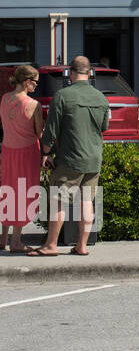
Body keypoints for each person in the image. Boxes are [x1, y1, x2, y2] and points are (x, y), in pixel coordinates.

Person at [29, 56, 109, 257]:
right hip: (93, 159)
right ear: (89, 73)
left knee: (59, 200)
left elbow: (51, 130)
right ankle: (82, 246)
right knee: (87, 201)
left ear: (71, 73)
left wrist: (46, 152)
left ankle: (51, 245)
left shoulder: (63, 96)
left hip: (70, 159)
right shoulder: (101, 98)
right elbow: (104, 127)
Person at [1, 65, 44, 253]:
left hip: (8, 151)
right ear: (27, 81)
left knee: (7, 192)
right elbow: (39, 132)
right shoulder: (33, 105)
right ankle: (16, 242)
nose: (36, 85)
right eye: (35, 82)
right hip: (26, 153)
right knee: (23, 194)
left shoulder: (4, 99)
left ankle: (3, 238)